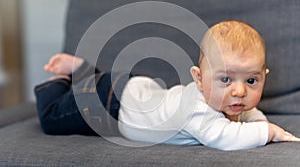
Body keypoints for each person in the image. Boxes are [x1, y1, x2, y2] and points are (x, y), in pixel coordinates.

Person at [34, 20, 300, 151]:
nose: (240, 91)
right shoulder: (197, 110)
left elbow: (248, 115)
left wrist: (257, 119)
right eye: (226, 80)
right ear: (198, 79)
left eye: (252, 81)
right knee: (51, 118)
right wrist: (270, 132)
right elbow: (225, 138)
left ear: (264, 76)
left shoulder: (227, 100)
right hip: (110, 105)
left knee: (97, 83)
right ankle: (59, 80)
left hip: (133, 88)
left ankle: (82, 69)